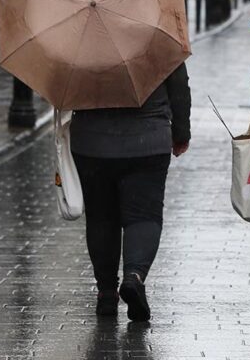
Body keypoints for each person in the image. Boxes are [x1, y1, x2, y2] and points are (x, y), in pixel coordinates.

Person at [70, 64, 191, 321]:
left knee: (101, 216)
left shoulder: (81, 32)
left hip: (92, 141)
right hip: (147, 139)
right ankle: (134, 277)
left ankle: (106, 293)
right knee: (143, 215)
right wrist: (181, 131)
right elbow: (178, 82)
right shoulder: (158, 30)